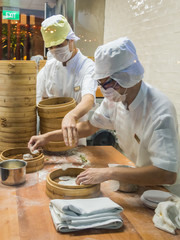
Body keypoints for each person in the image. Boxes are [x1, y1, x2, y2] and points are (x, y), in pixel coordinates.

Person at [28, 37, 180, 196]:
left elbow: (167, 174)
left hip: (163, 190)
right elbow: (89, 127)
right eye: (99, 84)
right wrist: (47, 137)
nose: (103, 90)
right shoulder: (117, 98)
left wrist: (108, 173)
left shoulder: (159, 112)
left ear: (125, 77)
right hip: (137, 178)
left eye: (105, 84)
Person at [36, 14, 97, 146]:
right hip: (49, 136)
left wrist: (72, 115)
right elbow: (42, 100)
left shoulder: (86, 66)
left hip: (75, 134)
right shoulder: (49, 67)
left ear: (71, 40)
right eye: (50, 47)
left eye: (58, 45)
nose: (54, 51)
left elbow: (88, 99)